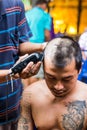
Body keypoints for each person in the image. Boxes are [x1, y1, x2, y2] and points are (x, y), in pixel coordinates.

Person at [18, 36, 87, 130]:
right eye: (51, 77)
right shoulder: (30, 95)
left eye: (67, 79)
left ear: (79, 69)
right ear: (43, 68)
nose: (58, 87)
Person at [0, 0, 46, 130]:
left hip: (13, 106)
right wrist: (12, 73)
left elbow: (19, 44)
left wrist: (43, 46)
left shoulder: (15, 5)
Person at [23, 0, 52, 86]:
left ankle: (25, 95)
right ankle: (32, 96)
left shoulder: (26, 14)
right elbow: (47, 34)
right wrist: (49, 44)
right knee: (35, 72)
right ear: (43, 4)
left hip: (25, 46)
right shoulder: (45, 16)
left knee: (25, 70)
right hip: (38, 47)